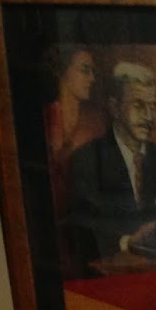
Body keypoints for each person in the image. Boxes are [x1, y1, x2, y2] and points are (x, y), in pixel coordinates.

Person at [65, 60, 156, 275]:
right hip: (107, 279)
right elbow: (83, 230)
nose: (149, 117)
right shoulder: (87, 160)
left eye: (152, 107)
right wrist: (127, 241)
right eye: (138, 106)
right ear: (115, 108)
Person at [43, 46, 106, 219]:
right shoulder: (46, 118)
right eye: (85, 70)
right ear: (63, 71)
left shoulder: (96, 123)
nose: (92, 78)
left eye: (92, 72)